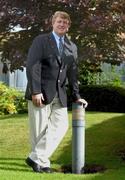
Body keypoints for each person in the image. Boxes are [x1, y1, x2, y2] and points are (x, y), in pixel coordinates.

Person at [25, 11, 88, 173]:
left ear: (68, 26)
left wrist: (76, 96)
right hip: (40, 92)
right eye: (59, 21)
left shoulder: (71, 46)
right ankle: (42, 164)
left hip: (59, 94)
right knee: (39, 131)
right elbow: (33, 65)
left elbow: (73, 73)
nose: (62, 24)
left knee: (61, 125)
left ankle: (35, 158)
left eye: (65, 22)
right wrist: (36, 90)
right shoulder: (41, 40)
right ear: (52, 23)